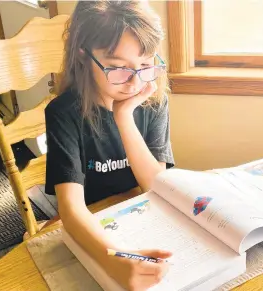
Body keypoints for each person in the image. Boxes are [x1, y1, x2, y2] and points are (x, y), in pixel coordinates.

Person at [44, 1, 175, 290]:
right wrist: (114, 258)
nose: (134, 82)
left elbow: (156, 185)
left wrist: (124, 116)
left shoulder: (153, 101)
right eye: (117, 69)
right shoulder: (64, 113)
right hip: (92, 226)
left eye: (145, 65)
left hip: (142, 217)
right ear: (83, 55)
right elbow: (72, 209)